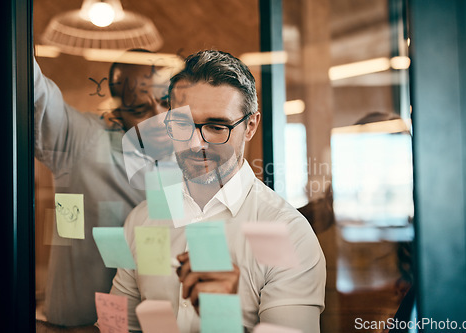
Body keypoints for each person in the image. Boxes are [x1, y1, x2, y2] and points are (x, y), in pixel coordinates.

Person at [110, 50, 326, 332]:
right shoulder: (141, 220)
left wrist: (223, 317)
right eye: (182, 124)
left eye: (216, 126)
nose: (196, 143)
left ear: (250, 126)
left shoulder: (287, 234)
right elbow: (115, 327)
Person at [34, 50, 175, 327]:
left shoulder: (189, 159)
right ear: (117, 112)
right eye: (139, 109)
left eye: (165, 102)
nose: (158, 117)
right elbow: (35, 94)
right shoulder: (83, 140)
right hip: (77, 327)